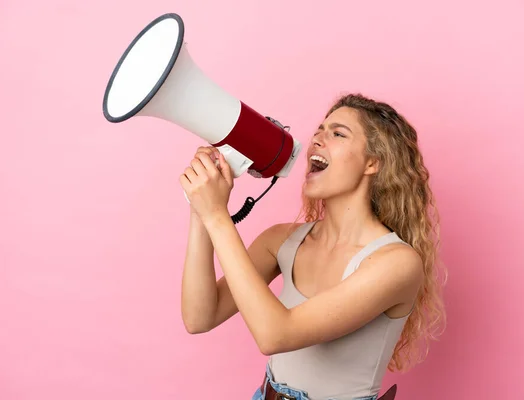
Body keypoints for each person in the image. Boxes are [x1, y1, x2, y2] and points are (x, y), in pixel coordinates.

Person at [179, 93, 446, 400]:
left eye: (337, 133)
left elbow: (275, 335)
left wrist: (216, 215)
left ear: (373, 162)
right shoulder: (281, 241)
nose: (318, 139)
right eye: (319, 129)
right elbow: (200, 317)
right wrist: (199, 207)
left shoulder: (396, 263)